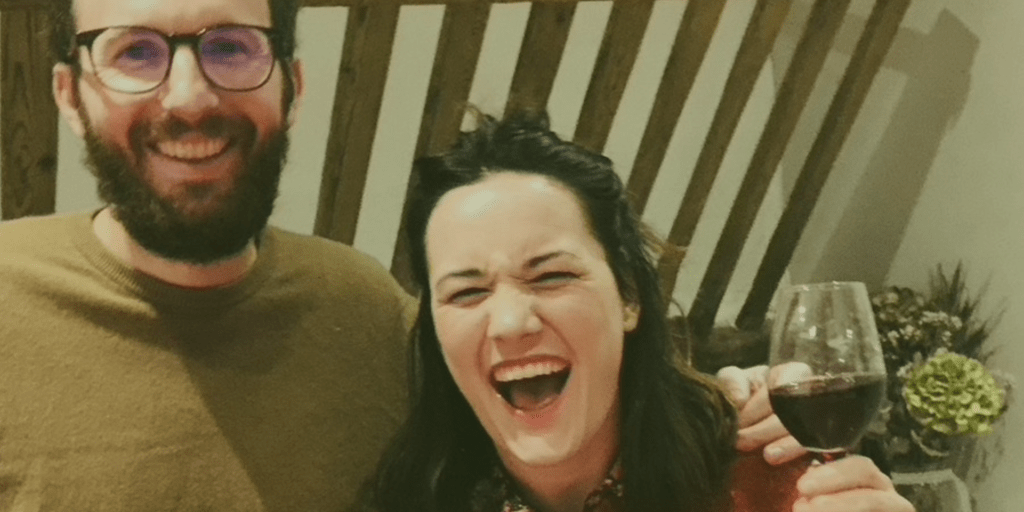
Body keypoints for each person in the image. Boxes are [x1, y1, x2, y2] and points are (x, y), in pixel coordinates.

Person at [359, 111, 915, 512]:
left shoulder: (768, 484)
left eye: (551, 276)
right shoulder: (412, 497)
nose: (509, 323)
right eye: (466, 293)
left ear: (628, 295)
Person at [0, 0, 412, 509]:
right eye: (135, 52)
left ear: (294, 87)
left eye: (231, 47)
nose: (190, 99)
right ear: (69, 96)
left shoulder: (375, 316)